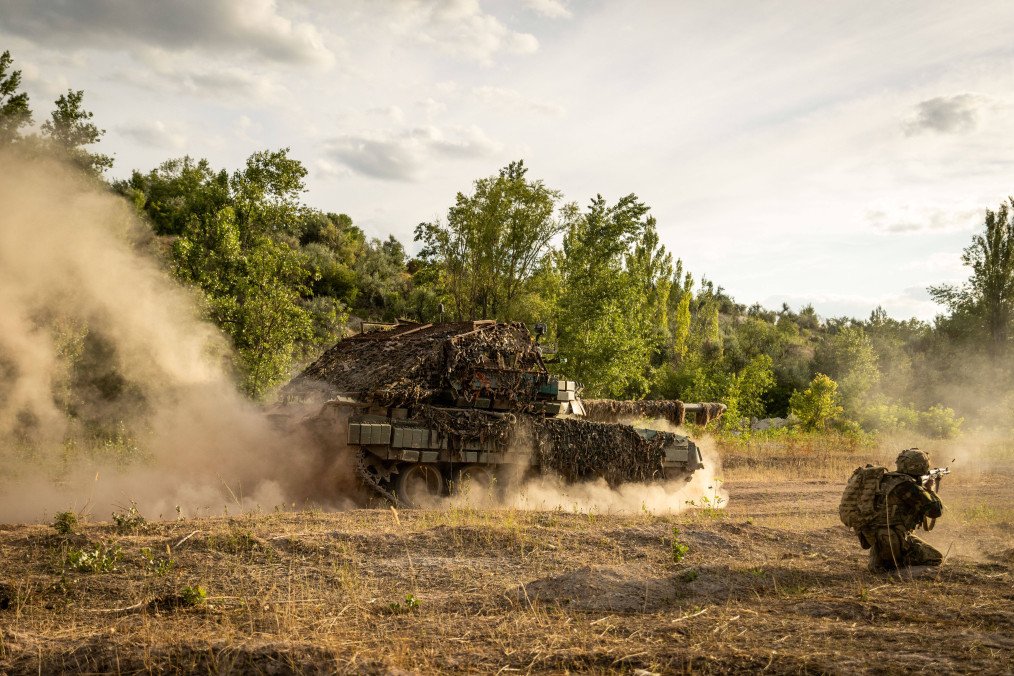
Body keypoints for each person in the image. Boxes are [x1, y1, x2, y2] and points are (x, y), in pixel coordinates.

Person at [860, 448, 944, 573]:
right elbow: (935, 511)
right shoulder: (909, 486)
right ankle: (899, 570)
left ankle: (881, 562)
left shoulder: (885, 479)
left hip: (877, 539)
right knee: (936, 558)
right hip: (895, 540)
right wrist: (930, 490)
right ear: (921, 466)